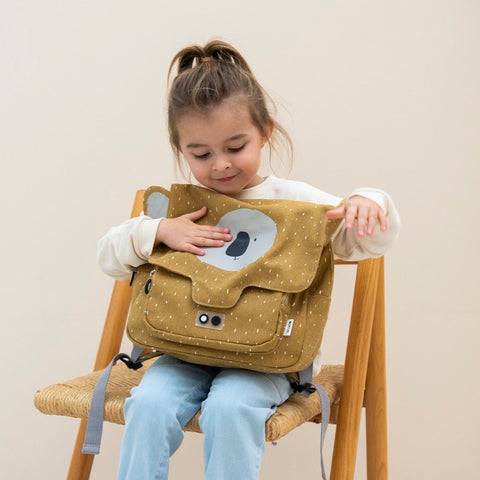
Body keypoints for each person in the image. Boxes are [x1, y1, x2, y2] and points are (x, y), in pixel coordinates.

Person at [97, 40, 401, 480]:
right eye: (200, 154)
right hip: (185, 349)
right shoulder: (183, 207)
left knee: (230, 407)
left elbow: (368, 244)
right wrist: (157, 231)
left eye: (235, 146)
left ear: (266, 132)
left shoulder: (297, 203)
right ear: (180, 149)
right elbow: (108, 256)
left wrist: (370, 201)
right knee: (147, 404)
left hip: (267, 357)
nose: (219, 165)